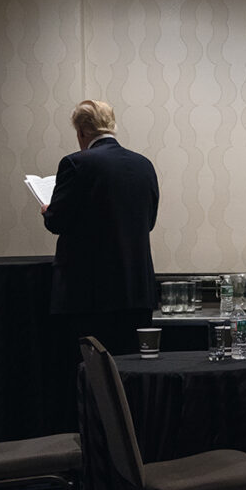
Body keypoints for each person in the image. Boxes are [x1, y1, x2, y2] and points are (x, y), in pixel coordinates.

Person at [42, 100, 159, 355]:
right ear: (112, 126)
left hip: (88, 295)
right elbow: (148, 223)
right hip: (136, 292)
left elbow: (57, 221)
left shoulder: (76, 164)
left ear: (82, 132)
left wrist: (47, 210)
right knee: (130, 376)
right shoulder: (144, 165)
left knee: (91, 377)